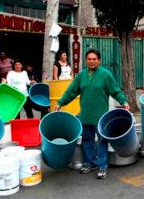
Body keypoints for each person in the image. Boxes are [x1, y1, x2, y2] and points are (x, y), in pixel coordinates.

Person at [54, 49, 129, 179]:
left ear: (99, 60)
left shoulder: (106, 75)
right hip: (86, 115)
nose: (92, 61)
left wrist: (124, 101)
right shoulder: (81, 75)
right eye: (89, 59)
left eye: (94, 59)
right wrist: (60, 102)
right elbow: (71, 91)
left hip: (101, 117)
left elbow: (115, 91)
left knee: (101, 142)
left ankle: (102, 166)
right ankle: (90, 163)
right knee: (87, 140)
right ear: (86, 60)